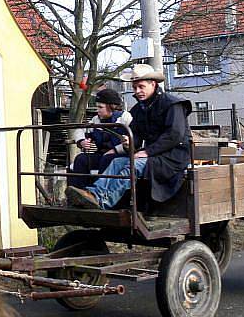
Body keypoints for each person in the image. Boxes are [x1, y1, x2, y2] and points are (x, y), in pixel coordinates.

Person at [66, 64, 192, 210]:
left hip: (172, 157)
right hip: (153, 155)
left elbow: (174, 135)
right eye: (134, 87)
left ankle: (103, 202)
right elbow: (136, 135)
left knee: (132, 165)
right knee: (117, 162)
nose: (137, 91)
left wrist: (147, 152)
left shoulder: (172, 104)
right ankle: (93, 195)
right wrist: (129, 142)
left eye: (141, 87)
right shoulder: (139, 109)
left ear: (153, 84)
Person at [68, 88, 132, 190]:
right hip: (102, 155)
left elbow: (133, 140)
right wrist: (81, 141)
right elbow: (80, 130)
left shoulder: (125, 118)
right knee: (81, 159)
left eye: (100, 107)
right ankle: (79, 193)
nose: (97, 110)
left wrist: (115, 150)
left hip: (120, 156)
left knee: (107, 159)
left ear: (112, 107)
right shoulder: (96, 120)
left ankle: (99, 194)